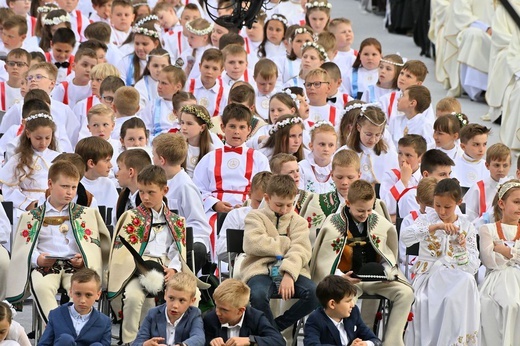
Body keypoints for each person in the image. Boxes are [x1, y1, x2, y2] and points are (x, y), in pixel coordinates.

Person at [310, 180, 413, 346]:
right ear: (348, 203)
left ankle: (392, 342)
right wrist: (341, 277)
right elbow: (324, 259)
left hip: (376, 279)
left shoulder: (378, 221)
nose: (365, 214)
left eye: (369, 209)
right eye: (360, 210)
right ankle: (351, 342)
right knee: (345, 301)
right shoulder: (333, 223)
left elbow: (388, 253)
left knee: (406, 293)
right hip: (346, 282)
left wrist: (386, 271)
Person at [5, 160, 111, 322]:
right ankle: (57, 328)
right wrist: (37, 259)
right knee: (41, 287)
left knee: (81, 291)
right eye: (64, 186)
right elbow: (24, 247)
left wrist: (83, 259)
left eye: (73, 187)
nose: (70, 192)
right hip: (45, 267)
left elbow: (94, 245)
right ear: (50, 184)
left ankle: (73, 328)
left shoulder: (86, 214)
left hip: (76, 268)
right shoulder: (32, 216)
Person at [108, 165, 194, 344]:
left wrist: (173, 269)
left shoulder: (176, 221)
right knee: (133, 297)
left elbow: (177, 251)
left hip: (167, 266)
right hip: (136, 268)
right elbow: (122, 253)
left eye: (151, 192)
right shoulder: (130, 217)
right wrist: (141, 268)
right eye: (141, 192)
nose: (145, 197)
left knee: (192, 295)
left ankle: (180, 339)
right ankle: (131, 341)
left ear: (165, 190)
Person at [402, 178, 480, 345]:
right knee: (434, 300)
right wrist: (434, 227)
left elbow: (472, 267)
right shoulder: (427, 219)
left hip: (456, 279)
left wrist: (461, 248)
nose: (442, 211)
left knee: (464, 285)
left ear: (459, 202)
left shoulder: (466, 226)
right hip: (429, 277)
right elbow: (405, 237)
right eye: (438, 205)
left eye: (447, 207)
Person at [241, 174, 320, 331]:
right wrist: (286, 242)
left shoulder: (299, 222)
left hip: (293, 271)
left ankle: (273, 331)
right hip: (259, 269)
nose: (284, 210)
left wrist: (289, 273)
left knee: (315, 293)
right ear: (267, 198)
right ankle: (273, 336)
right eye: (279, 205)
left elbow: (301, 250)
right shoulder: (255, 216)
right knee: (257, 295)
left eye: (289, 205)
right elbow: (253, 244)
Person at [192, 103, 270, 215]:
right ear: (223, 127)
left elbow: (265, 189)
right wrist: (214, 204)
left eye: (242, 127)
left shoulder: (259, 159)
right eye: (232, 126)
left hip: (250, 212)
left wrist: (247, 205)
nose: (236, 132)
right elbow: (198, 189)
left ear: (249, 129)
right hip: (214, 212)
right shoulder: (209, 158)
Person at [152, 132, 212, 275]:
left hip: (183, 245)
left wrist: (179, 244)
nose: (152, 159)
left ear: (161, 160)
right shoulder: (162, 182)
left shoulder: (185, 186)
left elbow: (199, 225)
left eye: (153, 155)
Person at [479, 179, 520, 345]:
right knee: (493, 304)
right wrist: (515, 254)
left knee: (514, 304)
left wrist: (504, 250)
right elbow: (489, 260)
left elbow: (499, 254)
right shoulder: (487, 229)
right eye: (516, 202)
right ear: (502, 204)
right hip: (496, 278)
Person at [0, 111, 60, 213]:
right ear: (28, 134)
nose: (43, 142)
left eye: (47, 138)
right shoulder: (18, 160)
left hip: (54, 206)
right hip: (25, 209)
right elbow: (8, 189)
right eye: (38, 138)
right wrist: (28, 204)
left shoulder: (58, 158)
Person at [38, 269, 111, 346]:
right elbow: (43, 344)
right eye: (78, 294)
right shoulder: (56, 314)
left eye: (88, 295)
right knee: (65, 339)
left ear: (98, 295)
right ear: (71, 292)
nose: (82, 300)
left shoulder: (104, 322)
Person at [304, 275, 381, 346]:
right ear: (332, 304)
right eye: (348, 301)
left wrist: (366, 344)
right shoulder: (315, 320)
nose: (352, 305)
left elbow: (375, 340)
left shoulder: (353, 313)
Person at [203, 278, 285, 346]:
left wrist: (250, 340)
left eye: (224, 310)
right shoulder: (210, 319)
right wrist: (211, 342)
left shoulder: (255, 318)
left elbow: (278, 341)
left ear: (241, 310)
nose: (218, 312)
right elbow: (203, 340)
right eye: (217, 306)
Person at [132, 272, 204, 346]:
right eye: (171, 298)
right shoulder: (153, 313)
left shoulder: (194, 314)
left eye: (181, 300)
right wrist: (146, 344)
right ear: (165, 295)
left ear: (192, 301)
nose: (175, 305)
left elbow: (199, 338)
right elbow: (137, 342)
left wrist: (182, 345)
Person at [216, 171, 273, 262]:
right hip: (244, 265)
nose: (262, 206)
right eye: (259, 202)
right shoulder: (237, 215)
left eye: (268, 202)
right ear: (249, 194)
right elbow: (221, 253)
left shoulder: (280, 216)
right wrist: (247, 236)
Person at [343, 104, 398, 185]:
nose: (373, 139)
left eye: (377, 135)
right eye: (368, 134)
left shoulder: (389, 154)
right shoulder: (345, 153)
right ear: (358, 127)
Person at [397, 149, 454, 219]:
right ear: (426, 175)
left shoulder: (449, 195)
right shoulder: (411, 197)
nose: (448, 179)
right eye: (442, 175)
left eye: (449, 174)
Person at [380, 134, 427, 220]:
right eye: (400, 153)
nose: (402, 159)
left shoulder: (426, 176)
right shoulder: (390, 175)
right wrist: (403, 181)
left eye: (408, 155)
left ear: (420, 157)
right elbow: (387, 208)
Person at [75, 136, 118, 224]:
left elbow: (116, 217)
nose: (110, 165)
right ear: (91, 163)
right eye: (106, 161)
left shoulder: (108, 184)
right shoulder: (75, 186)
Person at [464, 143, 512, 223]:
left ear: (510, 165)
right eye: (496, 165)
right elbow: (468, 218)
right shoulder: (478, 188)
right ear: (487, 165)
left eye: (505, 165)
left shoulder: (515, 188)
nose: (501, 169)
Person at [178, 104, 222, 177]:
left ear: (202, 127)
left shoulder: (212, 151)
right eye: (182, 122)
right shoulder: (178, 147)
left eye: (189, 124)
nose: (184, 127)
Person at [141, 64, 186, 136]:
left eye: (164, 83)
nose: (159, 86)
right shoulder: (152, 105)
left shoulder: (187, 105)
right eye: (159, 82)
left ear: (178, 86)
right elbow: (145, 129)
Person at [186, 48, 228, 118]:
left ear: (221, 71)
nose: (209, 72)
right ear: (200, 66)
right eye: (206, 67)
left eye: (215, 69)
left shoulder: (225, 93)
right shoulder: (187, 86)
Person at [298, 121, 336, 193]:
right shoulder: (302, 168)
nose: (326, 149)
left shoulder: (338, 168)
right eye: (322, 144)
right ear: (311, 145)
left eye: (331, 145)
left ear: (335, 148)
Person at [115, 148, 152, 219]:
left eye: (119, 169)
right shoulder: (122, 198)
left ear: (131, 172)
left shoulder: (151, 200)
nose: (117, 174)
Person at [452, 123, 490, 190]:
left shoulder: (489, 168)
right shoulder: (453, 166)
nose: (481, 149)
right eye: (476, 144)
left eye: (484, 144)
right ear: (463, 146)